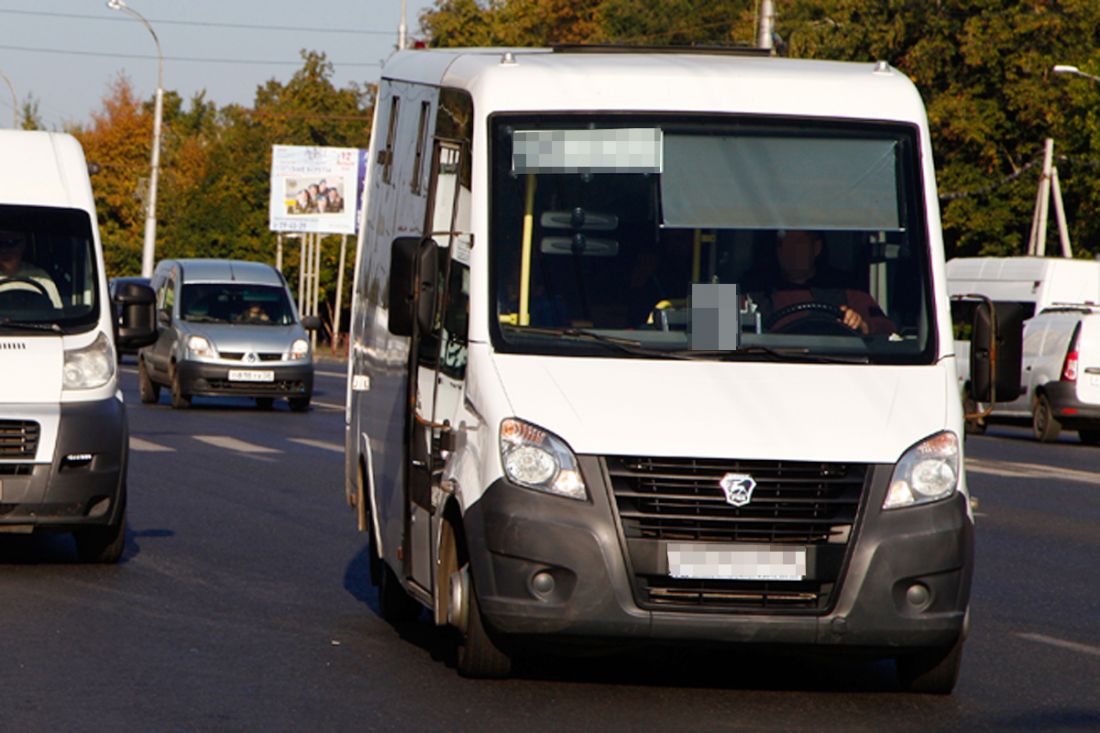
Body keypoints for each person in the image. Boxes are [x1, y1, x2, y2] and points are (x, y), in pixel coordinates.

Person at [753, 229, 893, 335]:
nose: (789, 250)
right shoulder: (754, 289)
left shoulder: (846, 288)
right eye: (783, 244)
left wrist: (862, 325)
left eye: (798, 243)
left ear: (816, 247)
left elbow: (887, 332)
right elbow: (730, 341)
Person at [0, 230, 63, 308]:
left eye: (11, 243)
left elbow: (56, 314)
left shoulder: (41, 277)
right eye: (0, 244)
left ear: (22, 245)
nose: (4, 250)